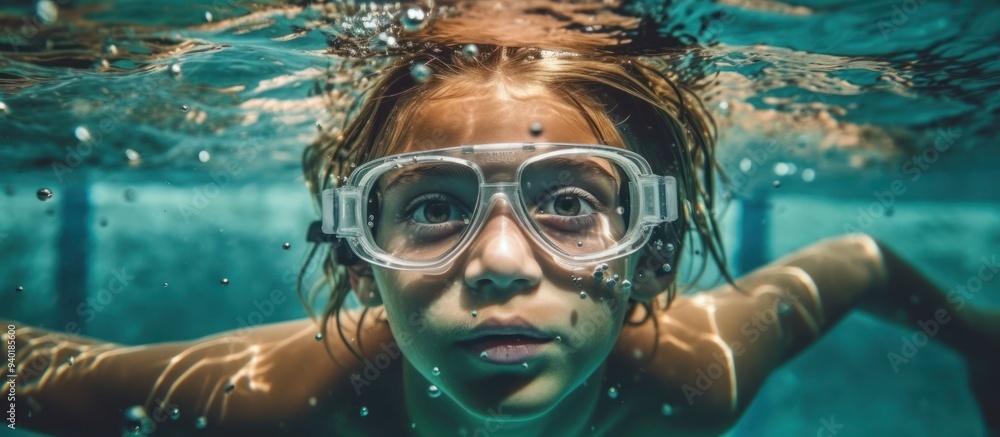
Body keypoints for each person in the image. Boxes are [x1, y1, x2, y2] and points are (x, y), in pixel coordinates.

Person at [4, 16, 998, 437]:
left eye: (570, 201)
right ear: (361, 253)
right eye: (431, 206)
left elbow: (861, 260)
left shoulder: (693, 378)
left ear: (649, 247)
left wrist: (979, 339)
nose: (499, 262)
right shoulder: (282, 406)